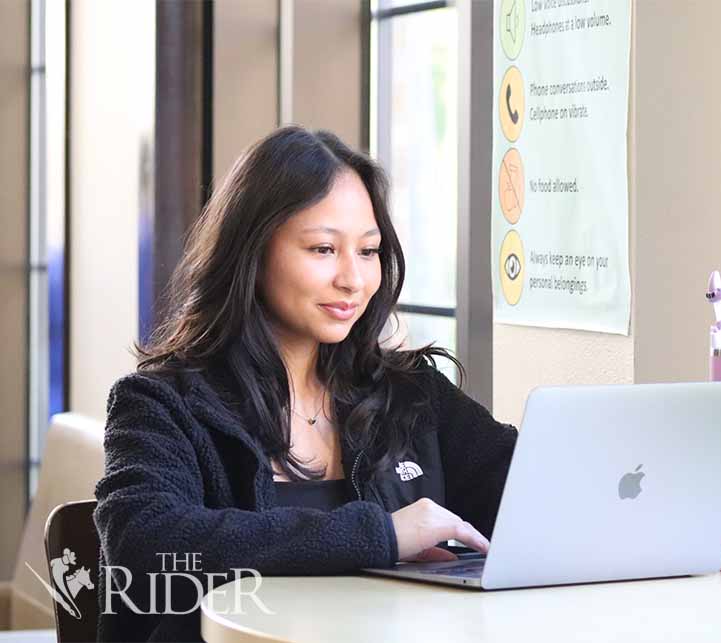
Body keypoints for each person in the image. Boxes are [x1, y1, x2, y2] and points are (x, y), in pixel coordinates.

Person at [93, 126, 518, 642]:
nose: (353, 279)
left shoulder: (411, 393)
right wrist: (381, 535)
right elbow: (143, 542)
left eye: (368, 251)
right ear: (252, 251)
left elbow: (528, 492)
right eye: (323, 249)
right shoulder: (160, 404)